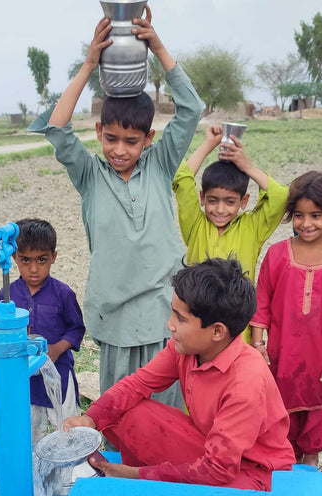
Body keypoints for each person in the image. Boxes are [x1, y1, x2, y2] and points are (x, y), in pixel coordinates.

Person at [29, 11, 202, 407]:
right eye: (111, 139)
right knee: (121, 415)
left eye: (131, 141)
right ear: (98, 132)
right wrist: (89, 64)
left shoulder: (160, 165)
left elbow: (191, 108)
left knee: (167, 414)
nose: (120, 150)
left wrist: (156, 47)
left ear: (148, 138)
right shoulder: (90, 174)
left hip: (164, 314)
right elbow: (57, 126)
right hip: (116, 320)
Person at [63, 259, 295, 490]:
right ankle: (147, 483)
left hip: (249, 471)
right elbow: (136, 385)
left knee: (219, 494)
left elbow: (218, 470)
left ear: (217, 331)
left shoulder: (246, 383)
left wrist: (135, 474)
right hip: (208, 447)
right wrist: (90, 419)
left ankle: (142, 483)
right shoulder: (187, 349)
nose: (170, 325)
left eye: (181, 318)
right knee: (123, 411)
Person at [250, 172, 322, 468]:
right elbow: (262, 303)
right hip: (280, 360)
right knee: (279, 427)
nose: (306, 223)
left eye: (316, 215)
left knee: (312, 432)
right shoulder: (277, 255)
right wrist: (258, 345)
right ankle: (283, 480)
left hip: (321, 364)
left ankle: (310, 477)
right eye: (299, 215)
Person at [0, 218, 85, 445]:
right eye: (25, 260)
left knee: (66, 431)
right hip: (24, 377)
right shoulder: (7, 296)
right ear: (14, 257)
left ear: (53, 257)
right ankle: (33, 466)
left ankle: (69, 467)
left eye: (41, 260)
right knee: (29, 433)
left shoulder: (63, 294)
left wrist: (58, 348)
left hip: (58, 373)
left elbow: (76, 328)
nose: (34, 268)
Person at [172, 124, 288, 279]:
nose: (220, 210)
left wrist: (248, 167)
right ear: (202, 198)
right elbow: (181, 178)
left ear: (244, 201)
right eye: (212, 200)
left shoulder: (253, 228)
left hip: (238, 297)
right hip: (196, 297)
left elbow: (281, 196)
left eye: (230, 202)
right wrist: (209, 144)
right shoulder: (195, 225)